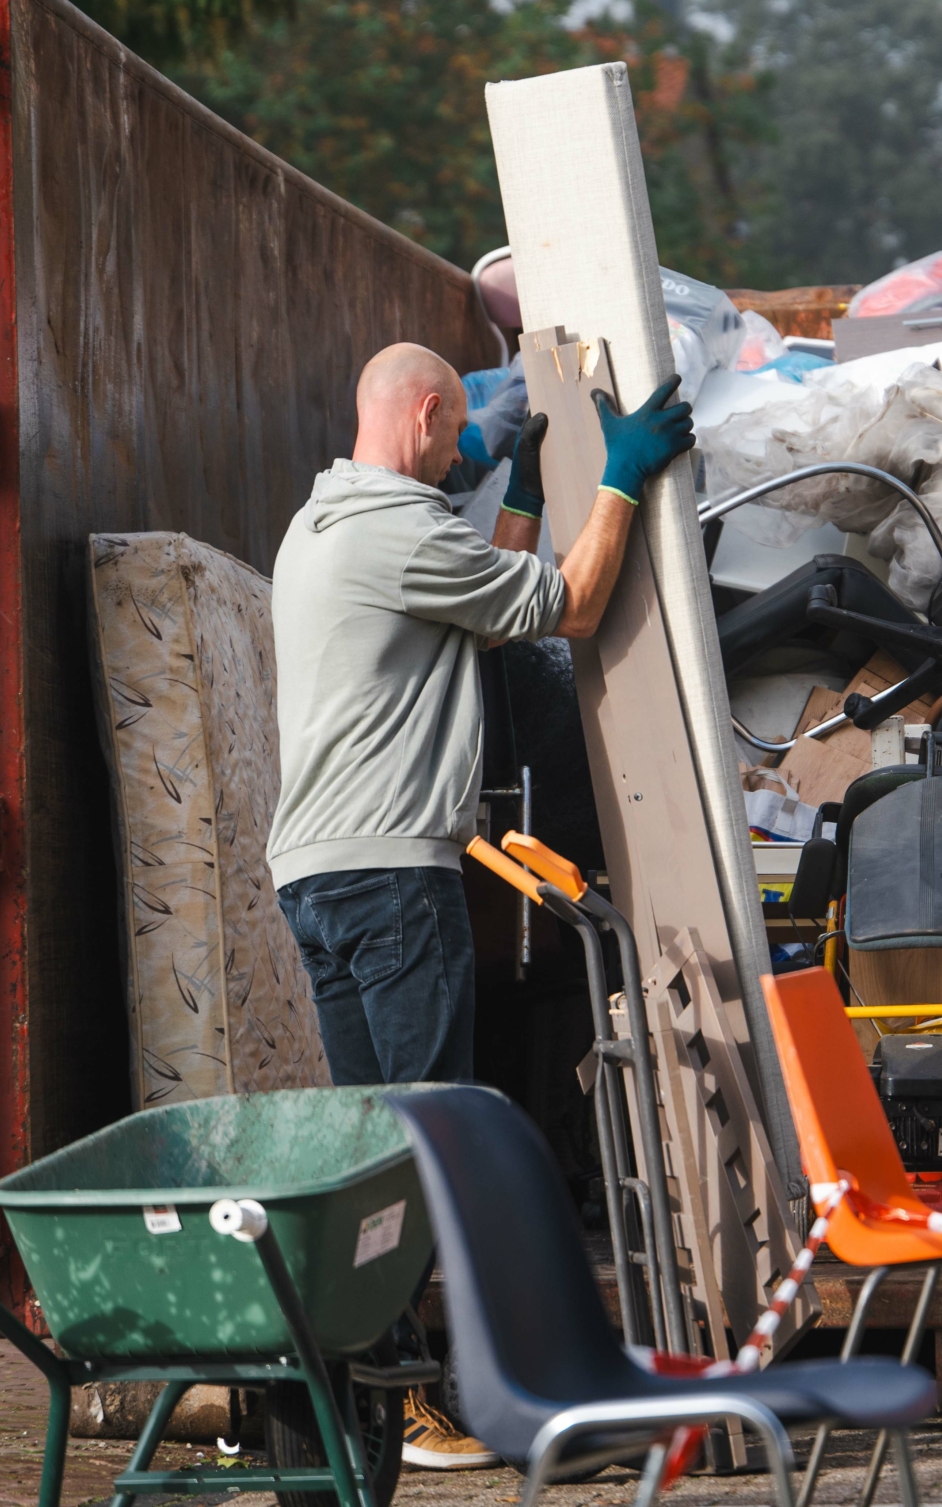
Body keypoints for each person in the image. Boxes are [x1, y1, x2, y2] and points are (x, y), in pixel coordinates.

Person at [266, 339, 691, 1468]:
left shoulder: (327, 524)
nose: (463, 448)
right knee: (428, 1150)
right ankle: (438, 1394)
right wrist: (621, 478)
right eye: (457, 431)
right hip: (396, 877)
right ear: (419, 414)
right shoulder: (396, 534)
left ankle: (373, 1394)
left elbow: (484, 609)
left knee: (370, 1153)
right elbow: (575, 605)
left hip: (315, 875)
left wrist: (509, 484)